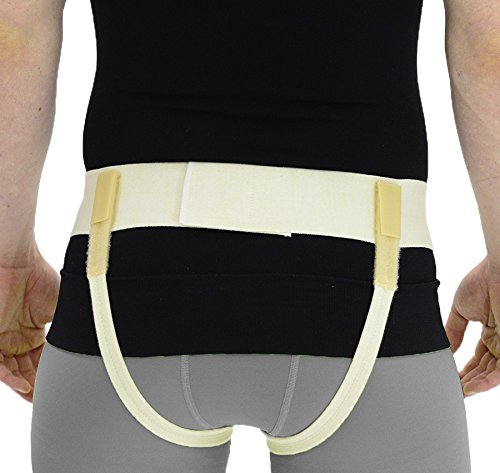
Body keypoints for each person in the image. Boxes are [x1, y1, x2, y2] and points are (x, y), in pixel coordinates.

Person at [0, 0, 498, 471]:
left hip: (121, 283)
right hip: (372, 284)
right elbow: (488, 49)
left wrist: (8, 259)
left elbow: (14, 37)